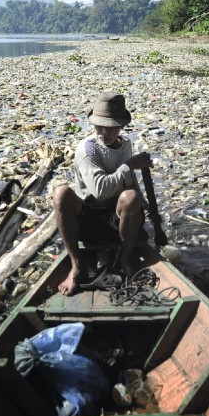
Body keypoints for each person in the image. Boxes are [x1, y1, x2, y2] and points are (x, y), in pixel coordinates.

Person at [52, 91, 152, 295]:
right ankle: (76, 265)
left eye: (110, 127)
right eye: (99, 127)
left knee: (131, 197)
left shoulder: (125, 145)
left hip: (116, 219)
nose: (104, 132)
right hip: (89, 218)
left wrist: (143, 205)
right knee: (61, 193)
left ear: (121, 126)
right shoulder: (87, 150)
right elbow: (100, 191)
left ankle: (125, 259)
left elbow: (129, 181)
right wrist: (130, 165)